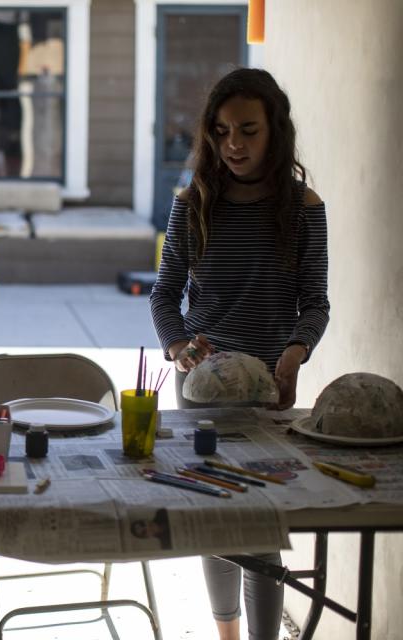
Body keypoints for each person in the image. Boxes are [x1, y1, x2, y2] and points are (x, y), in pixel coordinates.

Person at [149, 67, 329, 640]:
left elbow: (315, 303)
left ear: (276, 131)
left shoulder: (303, 206)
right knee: (215, 515)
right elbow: (164, 295)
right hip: (202, 386)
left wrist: (295, 354)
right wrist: (177, 347)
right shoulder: (193, 203)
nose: (233, 144)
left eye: (248, 130)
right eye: (222, 131)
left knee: (261, 518)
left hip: (271, 388)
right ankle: (226, 633)